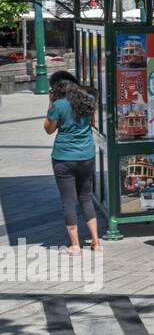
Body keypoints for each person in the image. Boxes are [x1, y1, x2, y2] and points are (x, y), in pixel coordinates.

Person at [43, 75, 99, 252]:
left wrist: (50, 104)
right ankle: (96, 241)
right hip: (87, 156)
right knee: (85, 197)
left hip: (64, 158)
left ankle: (75, 245)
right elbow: (93, 124)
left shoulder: (58, 105)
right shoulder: (88, 100)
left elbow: (48, 130)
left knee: (68, 201)